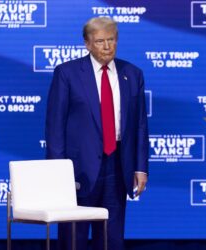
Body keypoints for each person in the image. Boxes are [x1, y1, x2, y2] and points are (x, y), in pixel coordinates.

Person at [45, 17, 149, 250]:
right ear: (87, 44)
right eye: (100, 41)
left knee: (111, 239)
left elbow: (140, 124)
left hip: (118, 167)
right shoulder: (67, 73)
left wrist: (140, 167)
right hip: (76, 170)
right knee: (73, 239)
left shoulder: (132, 74)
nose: (106, 46)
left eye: (111, 40)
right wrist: (57, 174)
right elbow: (55, 127)